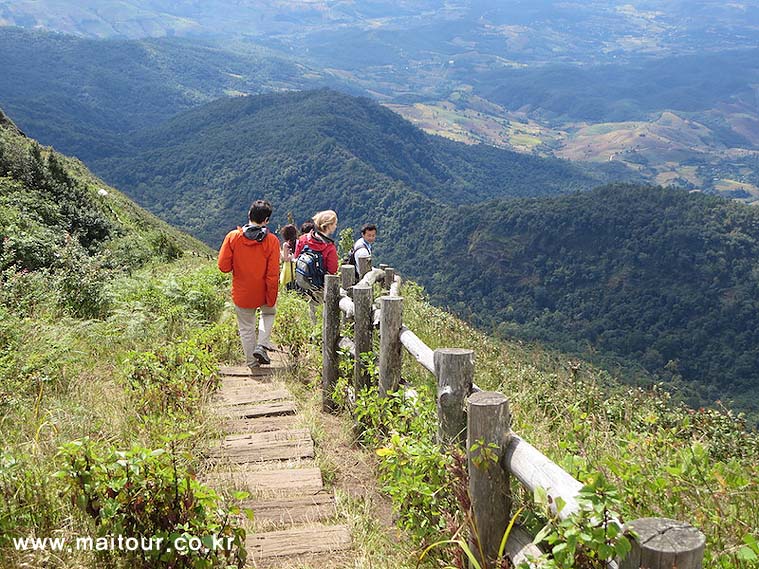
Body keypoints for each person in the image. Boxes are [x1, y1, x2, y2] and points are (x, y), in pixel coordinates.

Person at [218, 200, 280, 372]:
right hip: (264, 290)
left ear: (249, 215)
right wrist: (272, 294)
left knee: (246, 328)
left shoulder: (233, 237)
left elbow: (223, 267)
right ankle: (262, 345)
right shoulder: (272, 241)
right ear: (266, 220)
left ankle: (252, 364)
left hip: (242, 292)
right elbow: (273, 272)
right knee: (268, 313)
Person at [294, 210, 339, 322]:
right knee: (318, 316)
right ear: (328, 226)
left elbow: (296, 258)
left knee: (305, 314)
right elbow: (332, 270)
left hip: (301, 285)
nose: (335, 226)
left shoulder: (303, 239)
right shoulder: (329, 247)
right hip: (318, 287)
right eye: (334, 224)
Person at [279, 224, 298, 290]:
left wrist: (281, 254)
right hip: (296, 265)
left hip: (288, 267)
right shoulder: (298, 242)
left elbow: (286, 259)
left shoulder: (286, 244)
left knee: (287, 286)